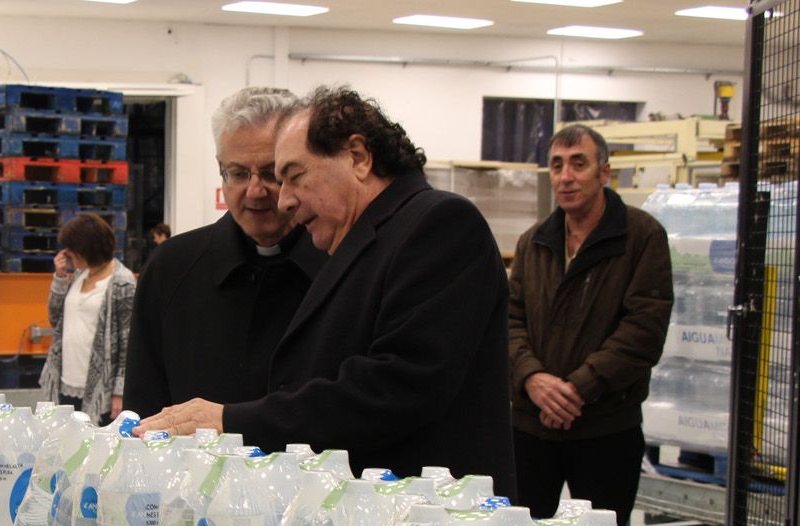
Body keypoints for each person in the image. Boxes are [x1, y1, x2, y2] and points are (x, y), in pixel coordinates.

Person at [136, 85, 517, 496]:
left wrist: (234, 421)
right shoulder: (360, 242)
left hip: (435, 524)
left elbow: (394, 387)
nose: (282, 200)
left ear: (357, 156)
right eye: (240, 173)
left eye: (292, 176)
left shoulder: (439, 225)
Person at [122, 87, 327, 417]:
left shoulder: (341, 266)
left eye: (271, 173)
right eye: (238, 173)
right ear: (221, 169)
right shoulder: (171, 268)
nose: (255, 191)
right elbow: (142, 407)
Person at [508, 124, 672, 526]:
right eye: (557, 165)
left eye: (579, 164)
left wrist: (579, 387)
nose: (566, 177)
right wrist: (532, 378)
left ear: (604, 173)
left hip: (605, 428)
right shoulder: (534, 242)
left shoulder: (641, 237)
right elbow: (509, 322)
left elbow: (644, 329)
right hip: (531, 428)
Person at [37, 212, 136, 421]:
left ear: (85, 249)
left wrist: (119, 393)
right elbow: (55, 319)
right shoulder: (79, 276)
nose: (68, 254)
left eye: (72, 250)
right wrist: (60, 277)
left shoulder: (122, 282)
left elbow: (128, 343)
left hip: (100, 390)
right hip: (66, 381)